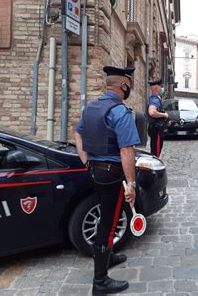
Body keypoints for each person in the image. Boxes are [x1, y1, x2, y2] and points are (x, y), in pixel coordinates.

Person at [74, 65, 140, 295]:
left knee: (106, 215)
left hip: (95, 171)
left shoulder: (91, 107)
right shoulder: (120, 111)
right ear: (123, 85)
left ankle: (107, 256)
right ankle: (100, 281)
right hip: (112, 174)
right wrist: (131, 183)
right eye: (129, 85)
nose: (129, 88)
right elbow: (126, 150)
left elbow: (78, 133)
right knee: (108, 225)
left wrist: (86, 161)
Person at [146, 79, 169, 158]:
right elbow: (152, 112)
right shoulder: (155, 99)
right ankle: (154, 168)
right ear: (156, 88)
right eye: (160, 87)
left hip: (155, 128)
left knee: (155, 151)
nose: (162, 89)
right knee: (156, 153)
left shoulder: (156, 99)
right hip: (157, 129)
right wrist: (164, 115)